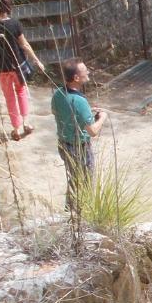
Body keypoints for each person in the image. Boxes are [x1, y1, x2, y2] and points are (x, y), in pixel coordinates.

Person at [0, 0, 47, 141]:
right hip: (18, 67)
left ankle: (16, 129)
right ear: (7, 6)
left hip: (0, 68)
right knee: (21, 92)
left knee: (9, 97)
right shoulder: (15, 24)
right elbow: (24, 45)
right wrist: (37, 60)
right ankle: (26, 123)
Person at [50, 61, 106, 213]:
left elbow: (58, 112)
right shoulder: (79, 101)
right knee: (85, 182)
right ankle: (81, 213)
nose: (88, 72)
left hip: (64, 144)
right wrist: (102, 117)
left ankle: (70, 211)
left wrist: (85, 112)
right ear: (76, 77)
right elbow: (93, 131)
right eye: (85, 71)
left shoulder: (57, 94)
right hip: (79, 148)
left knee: (74, 179)